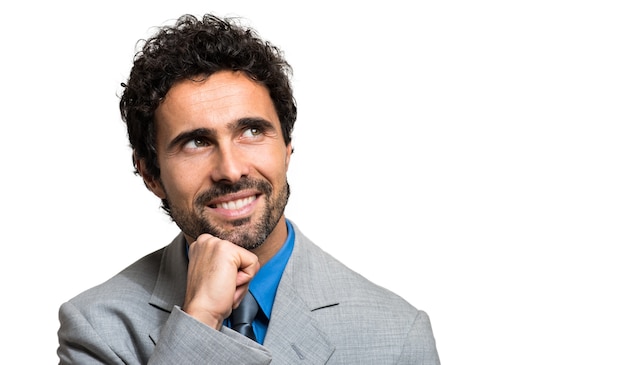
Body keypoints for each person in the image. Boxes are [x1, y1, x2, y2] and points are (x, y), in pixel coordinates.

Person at [57, 13, 440, 364]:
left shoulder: (398, 336)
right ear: (151, 175)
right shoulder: (96, 327)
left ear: (287, 150)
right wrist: (200, 319)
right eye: (196, 142)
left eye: (252, 131)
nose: (231, 169)